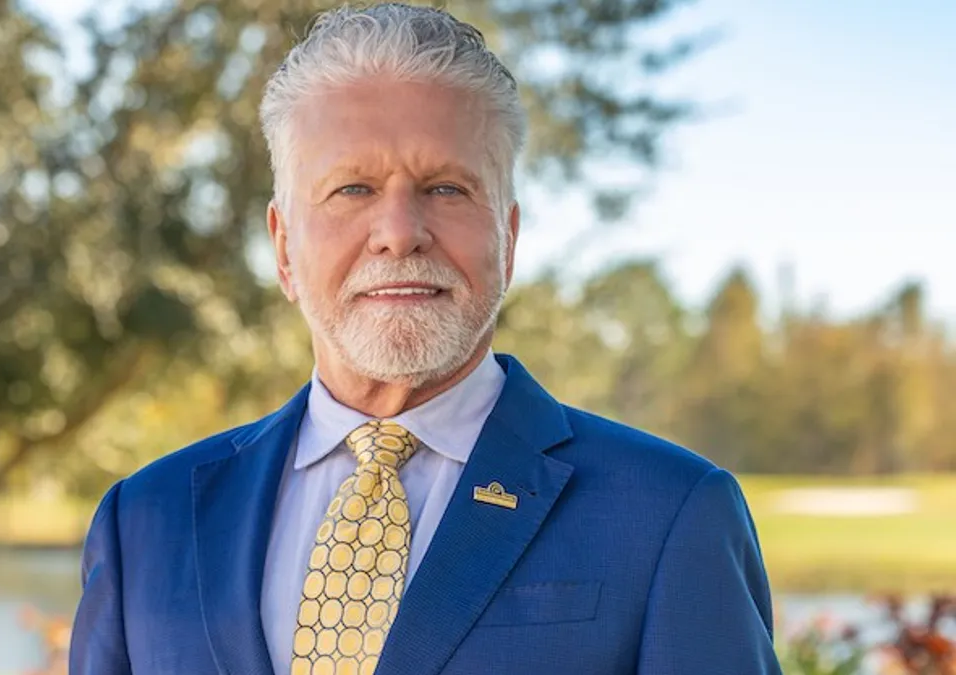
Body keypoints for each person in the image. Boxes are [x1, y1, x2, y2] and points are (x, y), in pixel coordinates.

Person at [69, 4, 781, 674]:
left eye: (446, 188)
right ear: (283, 247)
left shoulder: (670, 515)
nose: (400, 232)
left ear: (509, 235)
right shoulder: (144, 523)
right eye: (351, 189)